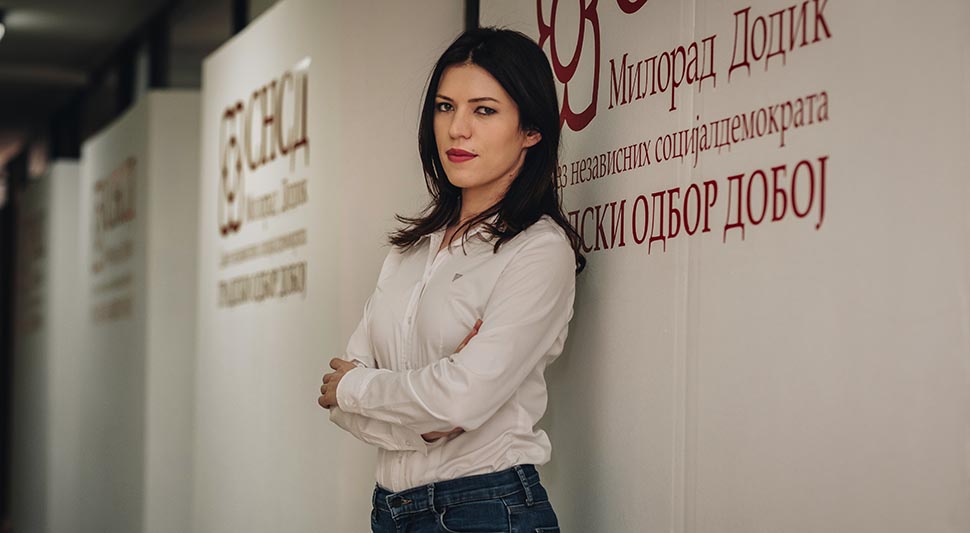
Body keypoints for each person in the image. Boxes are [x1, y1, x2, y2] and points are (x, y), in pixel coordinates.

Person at [318, 27, 585, 532]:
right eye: (445, 107)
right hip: (391, 511)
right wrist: (424, 425)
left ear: (531, 129)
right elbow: (340, 402)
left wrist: (360, 389)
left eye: (484, 110)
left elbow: (458, 399)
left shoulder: (538, 249)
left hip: (486, 508)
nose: (457, 129)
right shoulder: (411, 249)